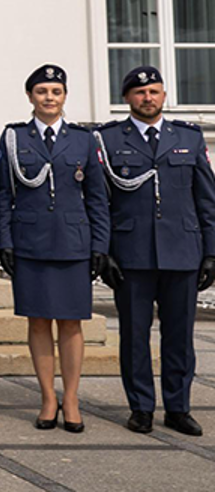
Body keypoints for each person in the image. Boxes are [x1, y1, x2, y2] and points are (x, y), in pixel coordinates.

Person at [98, 66, 215, 436]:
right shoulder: (107, 140)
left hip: (182, 251)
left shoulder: (189, 138)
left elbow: (207, 201)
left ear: (164, 96)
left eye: (154, 92)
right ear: (126, 99)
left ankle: (178, 407)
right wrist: (104, 252)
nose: (147, 98)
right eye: (139, 93)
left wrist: (211, 252)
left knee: (179, 336)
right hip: (132, 253)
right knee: (134, 334)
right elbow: (101, 202)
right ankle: (142, 407)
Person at [0, 64, 108, 433]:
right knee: (39, 321)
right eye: (42, 92)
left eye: (56, 92)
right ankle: (47, 397)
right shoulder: (14, 137)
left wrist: (99, 245)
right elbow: (2, 194)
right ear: (30, 96)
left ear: (64, 96)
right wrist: (5, 241)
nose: (49, 98)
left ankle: (71, 397)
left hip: (73, 242)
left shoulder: (83, 139)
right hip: (30, 242)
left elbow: (97, 197)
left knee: (72, 324)